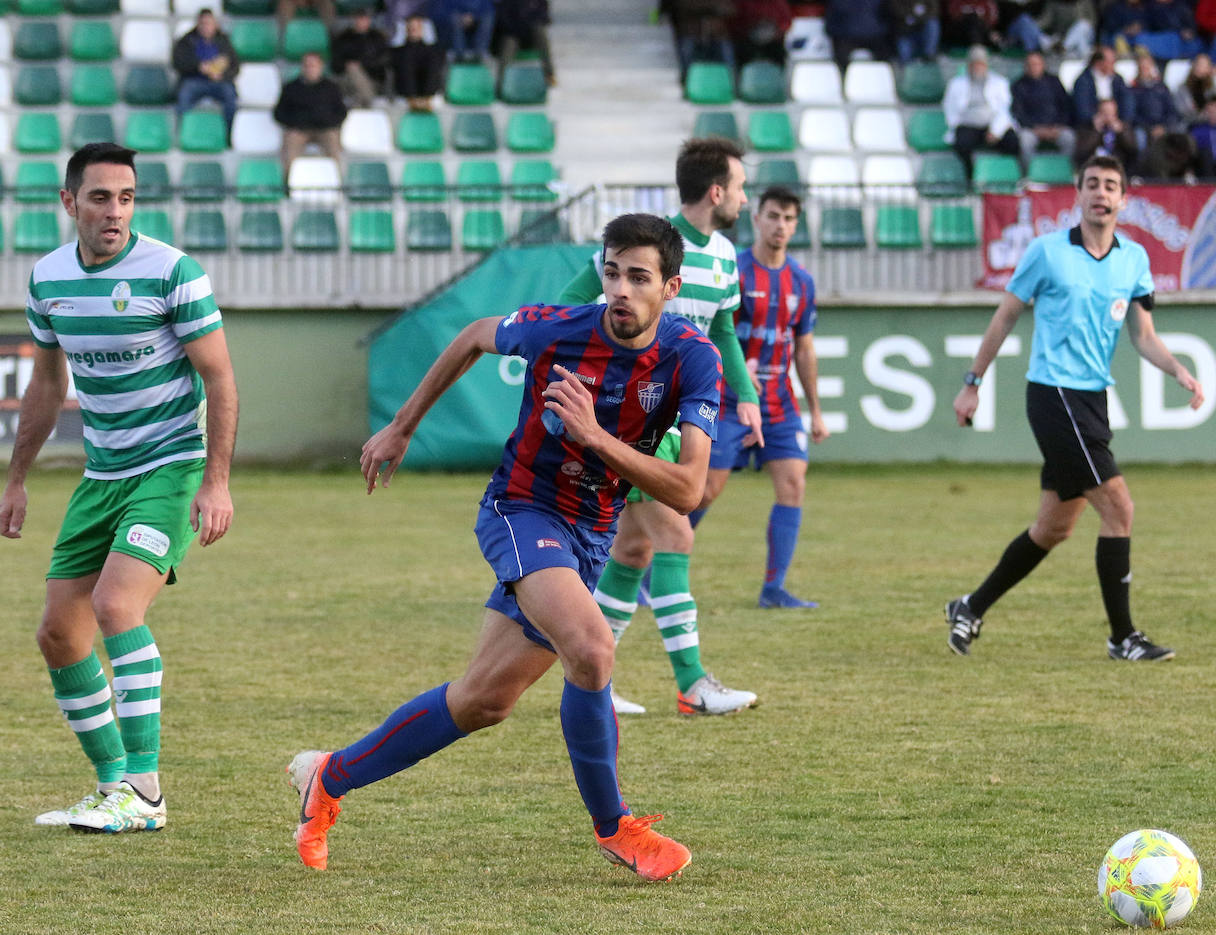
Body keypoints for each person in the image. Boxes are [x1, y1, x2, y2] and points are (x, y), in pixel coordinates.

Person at [288, 213, 721, 882]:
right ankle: (616, 826)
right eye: (612, 273)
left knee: (484, 700)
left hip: (591, 530)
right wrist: (402, 426)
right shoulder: (558, 328)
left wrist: (594, 435)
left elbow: (689, 489)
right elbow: (471, 335)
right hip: (521, 508)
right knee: (592, 645)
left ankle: (329, 776)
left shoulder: (693, 357)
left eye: (640, 277)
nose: (621, 290)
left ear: (671, 287)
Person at [0, 142, 238, 833]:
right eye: (101, 197)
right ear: (69, 202)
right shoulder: (47, 279)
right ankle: (112, 790)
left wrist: (215, 482)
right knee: (57, 632)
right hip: (101, 475)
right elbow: (48, 382)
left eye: (127, 197)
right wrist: (17, 478)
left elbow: (220, 377)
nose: (116, 212)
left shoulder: (172, 273)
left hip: (171, 465)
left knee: (114, 604)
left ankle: (147, 790)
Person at [944, 155, 1203, 662]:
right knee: (1120, 508)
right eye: (1092, 184)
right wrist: (972, 383)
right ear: (1078, 195)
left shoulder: (1134, 260)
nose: (1101, 193)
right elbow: (1004, 318)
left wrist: (1177, 370)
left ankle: (969, 606)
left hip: (1092, 399)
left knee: (1054, 528)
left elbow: (1143, 336)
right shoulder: (1046, 252)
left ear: (1124, 199)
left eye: (1111, 185)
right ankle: (1123, 636)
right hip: (1053, 394)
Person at [559, 138, 763, 718]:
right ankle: (693, 685)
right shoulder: (641, 247)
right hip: (628, 420)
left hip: (672, 422)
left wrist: (743, 396)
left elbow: (722, 332)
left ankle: (589, 677)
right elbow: (568, 306)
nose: (744, 200)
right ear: (717, 191)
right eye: (741, 188)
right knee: (676, 537)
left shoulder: (724, 256)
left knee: (634, 547)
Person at [695, 186, 828, 609]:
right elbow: (714, 335)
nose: (781, 226)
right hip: (730, 402)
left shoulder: (802, 282)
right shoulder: (733, 271)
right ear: (757, 218)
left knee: (793, 484)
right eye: (773, 216)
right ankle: (642, 567)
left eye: (789, 219)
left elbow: (804, 349)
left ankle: (774, 588)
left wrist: (817, 411)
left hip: (780, 406)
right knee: (703, 490)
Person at [942, 45, 1019, 179]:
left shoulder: (999, 82)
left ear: (986, 65)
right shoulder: (956, 83)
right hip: (968, 124)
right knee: (961, 144)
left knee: (1013, 142)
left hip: (993, 124)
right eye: (974, 64)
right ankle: (970, 175)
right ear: (968, 66)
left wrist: (996, 131)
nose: (977, 67)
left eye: (980, 64)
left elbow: (1005, 109)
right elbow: (949, 107)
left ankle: (1005, 176)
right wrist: (955, 124)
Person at [272, 51, 348, 174]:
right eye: (307, 65)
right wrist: (295, 122)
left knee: (333, 144)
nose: (310, 69)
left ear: (320, 67)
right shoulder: (291, 88)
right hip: (299, 130)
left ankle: (336, 182)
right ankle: (290, 183)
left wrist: (328, 121)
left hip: (325, 129)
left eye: (313, 65)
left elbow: (341, 112)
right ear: (302, 67)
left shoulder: (331, 88)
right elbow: (279, 113)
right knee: (290, 146)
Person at [172, 9, 240, 132]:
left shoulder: (224, 41)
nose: (205, 27)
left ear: (215, 24)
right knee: (184, 95)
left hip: (218, 82)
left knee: (230, 95)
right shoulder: (186, 41)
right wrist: (198, 66)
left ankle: (229, 133)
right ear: (197, 24)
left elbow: (235, 66)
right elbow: (178, 63)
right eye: (203, 23)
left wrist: (222, 75)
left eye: (209, 23)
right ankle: (183, 132)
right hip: (194, 80)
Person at [1011, 49, 1076, 166]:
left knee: (1069, 138)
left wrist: (1059, 125)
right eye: (1030, 64)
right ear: (1025, 66)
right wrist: (1036, 128)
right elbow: (1018, 112)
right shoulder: (1018, 85)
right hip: (1032, 129)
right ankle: (1030, 174)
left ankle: (1063, 171)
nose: (1033, 67)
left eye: (1036, 64)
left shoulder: (1054, 82)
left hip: (1056, 127)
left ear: (1043, 65)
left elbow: (1065, 106)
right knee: (1025, 141)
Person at [330, 10, 391, 108]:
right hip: (347, 80)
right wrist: (348, 65)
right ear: (353, 19)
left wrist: (362, 64)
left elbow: (384, 60)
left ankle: (358, 105)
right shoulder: (343, 38)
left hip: (373, 80)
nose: (361, 21)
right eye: (359, 18)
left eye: (364, 18)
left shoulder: (377, 37)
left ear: (369, 20)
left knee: (356, 78)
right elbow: (335, 64)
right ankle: (368, 101)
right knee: (353, 70)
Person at [391, 13, 446, 110]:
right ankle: (412, 98)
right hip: (405, 93)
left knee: (433, 61)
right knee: (405, 60)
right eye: (411, 27)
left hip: (427, 91)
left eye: (416, 27)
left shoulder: (432, 50)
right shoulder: (398, 51)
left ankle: (427, 98)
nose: (413, 30)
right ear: (406, 29)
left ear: (422, 29)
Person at [495, 0, 556, 86]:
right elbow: (502, 17)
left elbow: (543, 17)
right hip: (513, 33)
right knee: (508, 44)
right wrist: (515, 29)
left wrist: (530, 24)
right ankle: (502, 83)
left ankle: (549, 74)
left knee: (540, 33)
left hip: (531, 34)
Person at [1072, 46, 1135, 129]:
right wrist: (1094, 119)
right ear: (1099, 63)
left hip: (1116, 122)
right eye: (1111, 62)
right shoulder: (1083, 81)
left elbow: (1127, 101)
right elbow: (1081, 106)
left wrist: (1122, 121)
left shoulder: (1118, 79)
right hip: (1091, 125)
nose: (1114, 65)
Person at [1074, 97, 1139, 174]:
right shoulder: (1087, 128)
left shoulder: (1124, 128)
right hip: (1093, 168)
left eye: (1110, 113)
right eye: (1104, 112)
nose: (1107, 116)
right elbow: (1081, 152)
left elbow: (1133, 150)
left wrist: (1121, 133)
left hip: (1119, 168)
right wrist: (1096, 131)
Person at [1173, 51, 1216, 126]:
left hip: (1214, 123)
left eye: (1205, 65)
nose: (1201, 68)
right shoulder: (1183, 88)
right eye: (1199, 64)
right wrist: (1205, 114)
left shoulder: (1214, 85)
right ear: (1193, 66)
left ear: (1209, 68)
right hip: (1192, 124)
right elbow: (1182, 111)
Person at [887, 0, 940, 64]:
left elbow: (933, 10)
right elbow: (895, 10)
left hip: (921, 28)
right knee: (905, 57)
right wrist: (911, 15)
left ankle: (929, 55)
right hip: (904, 31)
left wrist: (916, 18)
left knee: (932, 24)